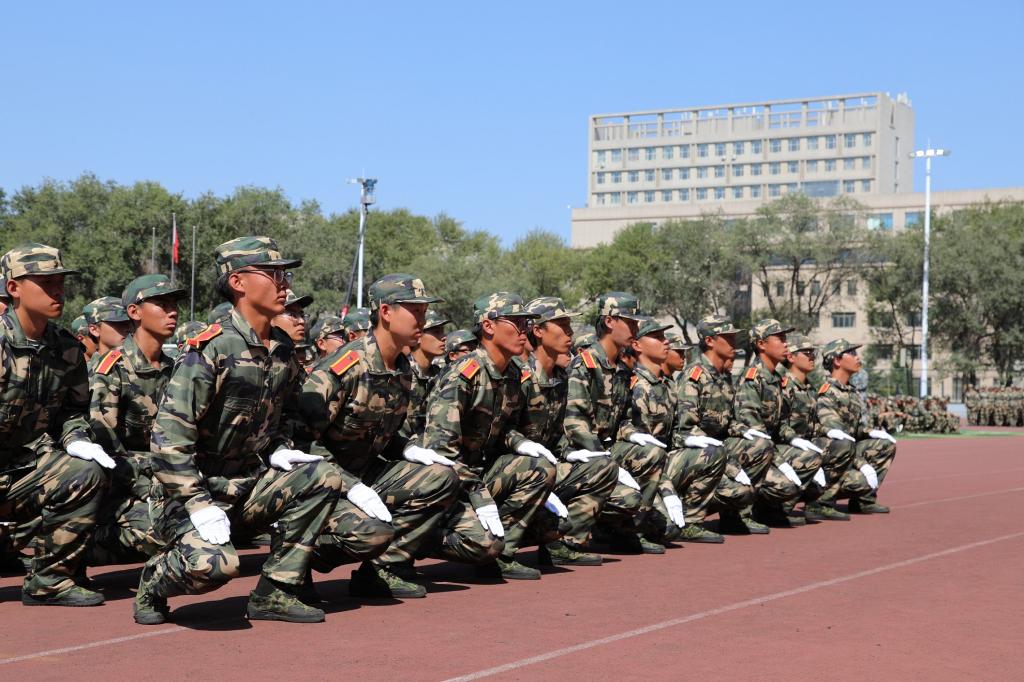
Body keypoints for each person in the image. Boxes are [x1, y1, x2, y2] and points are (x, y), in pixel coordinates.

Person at [134, 236, 353, 626]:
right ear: (238, 282)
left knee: (321, 475)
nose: (284, 283)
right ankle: (154, 580)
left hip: (247, 486)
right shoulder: (212, 348)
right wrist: (198, 503)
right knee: (214, 566)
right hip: (190, 494)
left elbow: (285, 415)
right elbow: (168, 440)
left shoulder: (283, 350)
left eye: (284, 274)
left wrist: (280, 447)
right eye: (273, 274)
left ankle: (276, 591)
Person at [294, 274, 459, 599]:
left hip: (364, 473)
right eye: (415, 311)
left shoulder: (402, 368)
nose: (423, 321)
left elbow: (381, 431)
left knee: (441, 477)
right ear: (386, 312)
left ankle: (381, 570)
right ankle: (300, 554)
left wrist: (407, 448)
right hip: (320, 483)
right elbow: (302, 444)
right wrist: (350, 486)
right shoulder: (346, 367)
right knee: (372, 532)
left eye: (424, 312)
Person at [0, 243, 112, 607]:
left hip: (20, 472)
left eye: (60, 282)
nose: (57, 291)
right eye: (46, 282)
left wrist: (77, 438)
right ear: (14, 288)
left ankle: (50, 581)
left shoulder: (66, 348)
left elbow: (72, 411)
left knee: (84, 472)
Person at [421, 292, 556, 580]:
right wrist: (479, 495)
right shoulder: (464, 374)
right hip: (447, 481)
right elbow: (439, 451)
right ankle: (414, 540)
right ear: (488, 326)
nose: (525, 331)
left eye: (527, 323)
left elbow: (501, 428)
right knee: (483, 544)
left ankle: (503, 554)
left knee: (544, 485)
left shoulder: (513, 373)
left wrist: (520, 442)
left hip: (478, 473)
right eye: (517, 323)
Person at [88, 274, 189, 565]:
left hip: (165, 482)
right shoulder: (112, 368)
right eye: (162, 304)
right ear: (134, 312)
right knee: (173, 535)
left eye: (174, 304)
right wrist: (152, 481)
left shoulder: (176, 369)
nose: (172, 312)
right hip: (122, 487)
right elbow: (105, 446)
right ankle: (87, 542)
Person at [563, 293, 664, 554]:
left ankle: (628, 531)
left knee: (652, 453)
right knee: (626, 495)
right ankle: (569, 538)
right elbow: (574, 423)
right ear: (609, 322)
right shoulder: (585, 365)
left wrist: (632, 434)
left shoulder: (621, 368)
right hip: (581, 454)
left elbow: (623, 420)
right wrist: (607, 459)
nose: (636, 329)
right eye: (629, 322)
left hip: (606, 450)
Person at [521, 296, 614, 566]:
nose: (569, 332)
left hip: (549, 466)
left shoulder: (562, 378)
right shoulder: (521, 377)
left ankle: (565, 543)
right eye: (561, 325)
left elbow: (561, 431)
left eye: (569, 325)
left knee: (603, 468)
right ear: (538, 331)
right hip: (517, 471)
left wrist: (569, 452)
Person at [737, 320, 824, 529]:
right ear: (761, 344)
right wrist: (781, 462)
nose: (786, 344)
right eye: (780, 339)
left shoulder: (775, 378)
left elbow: (781, 424)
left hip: (768, 448)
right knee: (784, 481)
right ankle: (742, 513)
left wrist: (794, 439)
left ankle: (770, 510)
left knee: (811, 457)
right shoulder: (752, 378)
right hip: (750, 450)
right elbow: (753, 430)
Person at [673, 315, 754, 539]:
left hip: (715, 451)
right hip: (692, 454)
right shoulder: (694, 376)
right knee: (728, 476)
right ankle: (689, 518)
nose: (734, 343)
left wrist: (745, 431)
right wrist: (730, 464)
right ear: (709, 341)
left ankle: (733, 516)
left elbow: (727, 422)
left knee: (746, 483)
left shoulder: (723, 376)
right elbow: (686, 429)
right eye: (727, 338)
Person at [816, 339, 897, 514]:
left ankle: (863, 500)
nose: (857, 357)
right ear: (837, 360)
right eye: (851, 353)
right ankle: (822, 501)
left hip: (847, 450)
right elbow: (837, 438)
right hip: (830, 457)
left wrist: (871, 432)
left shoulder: (851, 392)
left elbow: (855, 429)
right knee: (859, 475)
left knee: (885, 445)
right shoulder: (827, 393)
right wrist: (863, 465)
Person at [779, 334, 850, 522]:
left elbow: (815, 425)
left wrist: (828, 431)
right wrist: (795, 440)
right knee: (810, 456)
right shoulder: (784, 386)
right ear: (791, 357)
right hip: (784, 447)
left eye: (813, 353)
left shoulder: (809, 388)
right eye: (807, 353)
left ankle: (818, 503)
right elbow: (778, 425)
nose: (812, 357)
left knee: (841, 445)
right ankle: (780, 508)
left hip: (805, 446)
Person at [85, 296, 131, 373]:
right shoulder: (87, 372)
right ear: (94, 330)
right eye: (118, 323)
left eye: (129, 323)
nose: (127, 328)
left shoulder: (140, 362)